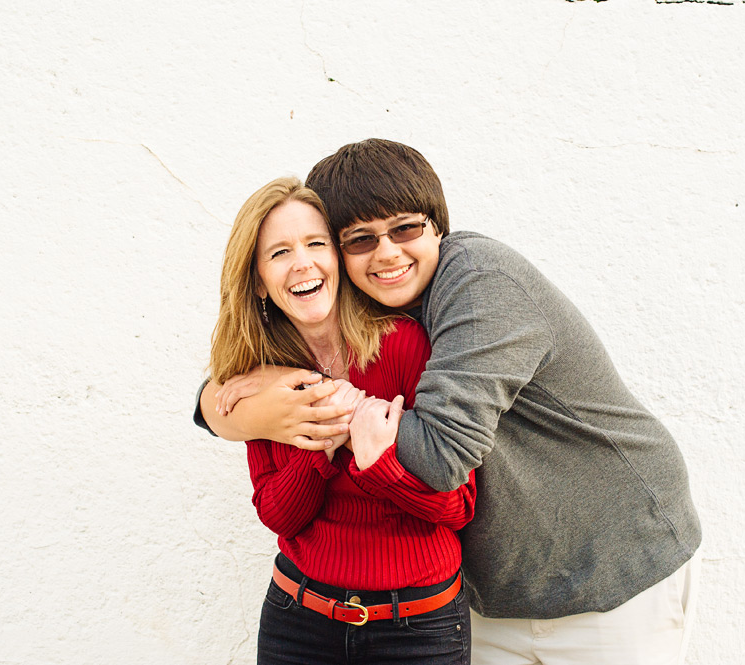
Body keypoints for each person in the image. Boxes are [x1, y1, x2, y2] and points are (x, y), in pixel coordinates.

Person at [198, 141, 702, 665]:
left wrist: (320, 407)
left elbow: (441, 457)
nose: (388, 252)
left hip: (613, 567)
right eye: (360, 239)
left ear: (437, 225)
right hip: (495, 592)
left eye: (406, 229)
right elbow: (238, 392)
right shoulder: (370, 307)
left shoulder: (480, 282)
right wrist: (234, 402)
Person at [207, 175, 476, 665]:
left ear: (337, 258)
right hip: (299, 621)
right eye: (279, 252)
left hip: (417, 628)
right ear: (259, 282)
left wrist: (382, 464)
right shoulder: (264, 377)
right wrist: (320, 443)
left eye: (315, 243)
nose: (303, 262)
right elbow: (278, 514)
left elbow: (459, 506)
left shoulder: (405, 344)